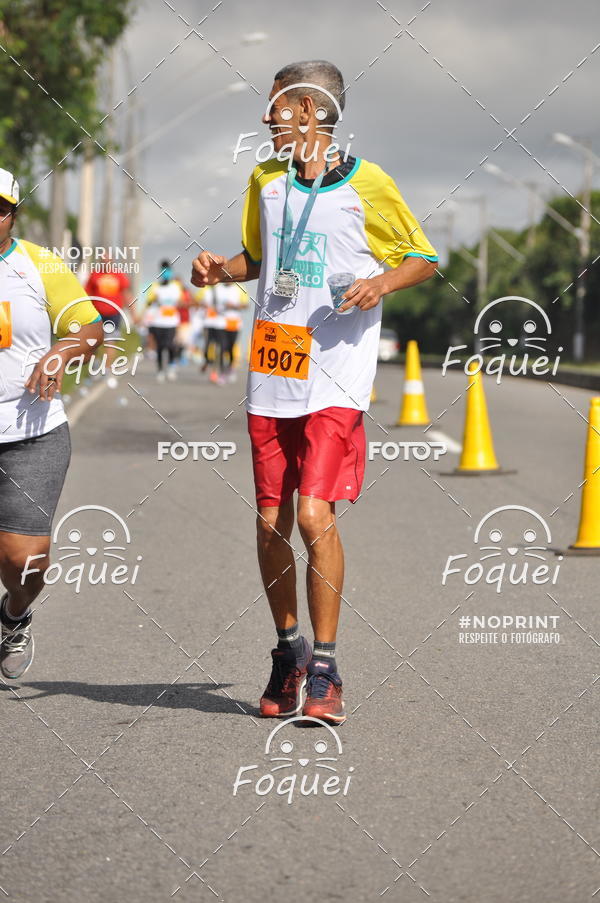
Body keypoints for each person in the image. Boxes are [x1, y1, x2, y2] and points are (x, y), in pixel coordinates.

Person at [191, 61, 437, 724]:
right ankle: (288, 651)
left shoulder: (369, 184)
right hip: (275, 370)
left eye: (274, 106)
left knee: (311, 516)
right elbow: (257, 258)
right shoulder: (265, 179)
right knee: (270, 522)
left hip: (337, 374)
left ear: (307, 110)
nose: (264, 117)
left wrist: (380, 283)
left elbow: (422, 257)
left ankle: (325, 667)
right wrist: (218, 271)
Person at [0, 168, 103, 679]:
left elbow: (91, 328)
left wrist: (61, 352)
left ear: (13, 215)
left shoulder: (38, 264)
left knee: (24, 562)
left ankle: (13, 616)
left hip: (31, 434)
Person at [84, 253, 131, 367]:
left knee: (110, 342)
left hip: (113, 314)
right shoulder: (95, 275)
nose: (105, 263)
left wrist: (133, 313)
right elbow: (86, 294)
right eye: (103, 260)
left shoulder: (118, 275)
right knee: (93, 342)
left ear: (111, 261)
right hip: (97, 314)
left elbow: (126, 294)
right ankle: (95, 366)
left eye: (107, 260)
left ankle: (107, 369)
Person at [144, 260, 182, 382]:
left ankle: (171, 366)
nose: (166, 274)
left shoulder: (176, 286)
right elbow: (148, 303)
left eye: (168, 271)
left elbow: (180, 302)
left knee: (170, 345)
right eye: (163, 271)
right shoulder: (155, 286)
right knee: (160, 346)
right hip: (158, 321)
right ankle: (160, 370)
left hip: (171, 321)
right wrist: (154, 300)